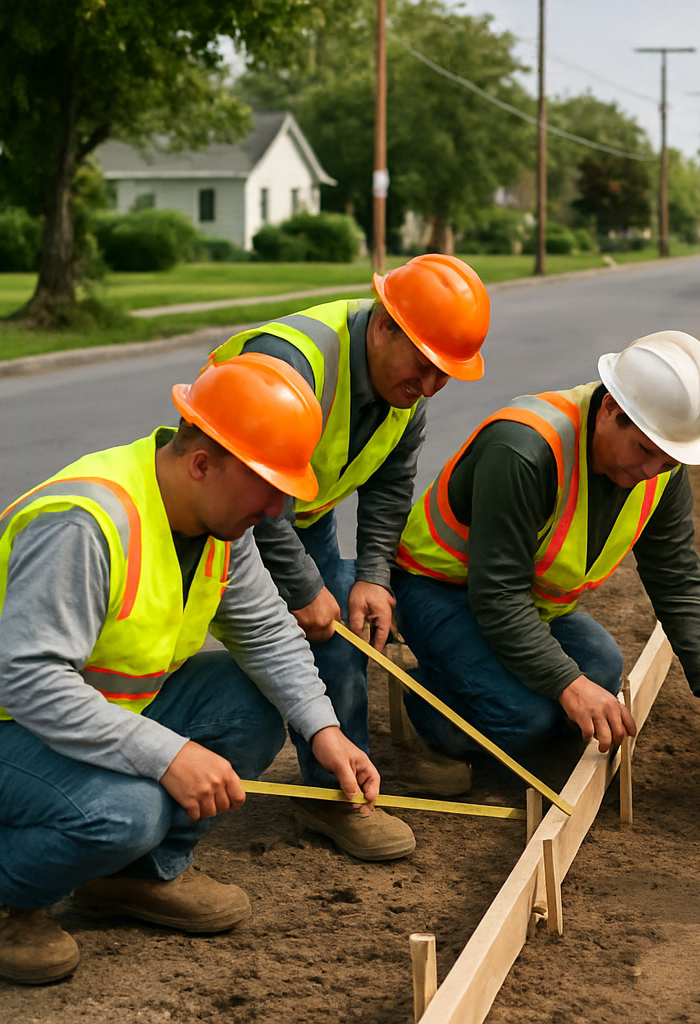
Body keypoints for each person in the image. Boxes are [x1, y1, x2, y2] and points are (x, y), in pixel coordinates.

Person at [0, 354, 380, 984]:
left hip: (91, 713)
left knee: (253, 700)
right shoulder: (87, 522)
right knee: (126, 811)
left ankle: (133, 877)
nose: (278, 511)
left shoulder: (221, 523)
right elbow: (30, 680)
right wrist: (168, 755)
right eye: (268, 486)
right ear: (202, 463)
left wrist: (326, 733)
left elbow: (268, 632)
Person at [207, 254, 489, 862]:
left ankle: (332, 786)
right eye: (425, 366)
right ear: (385, 324)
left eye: (445, 375)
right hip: (224, 506)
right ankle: (336, 794)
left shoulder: (404, 389)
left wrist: (371, 576)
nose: (431, 387)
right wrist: (307, 587)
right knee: (321, 624)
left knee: (344, 617)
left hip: (295, 514)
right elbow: (253, 489)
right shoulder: (294, 363)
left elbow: (390, 484)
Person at [392, 330, 700, 767]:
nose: (651, 471)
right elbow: (498, 597)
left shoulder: (662, 466)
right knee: (525, 716)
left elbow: (676, 578)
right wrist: (566, 684)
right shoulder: (524, 450)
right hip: (436, 588)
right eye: (645, 450)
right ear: (610, 409)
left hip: (524, 600)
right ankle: (433, 708)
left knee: (601, 666)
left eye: (669, 461)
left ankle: (488, 688)